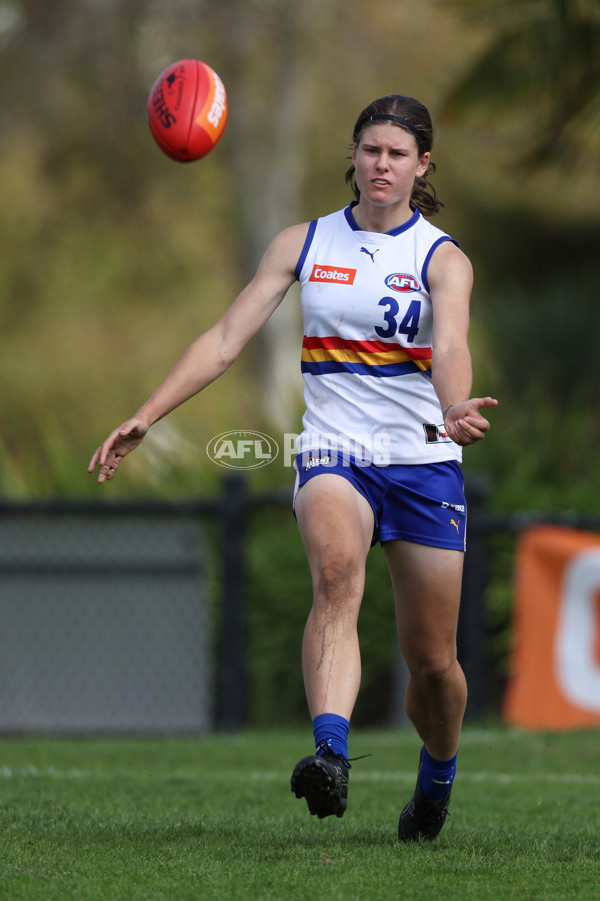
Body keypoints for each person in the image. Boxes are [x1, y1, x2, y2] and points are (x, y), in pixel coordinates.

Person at [88, 94, 497, 842]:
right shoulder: (303, 244)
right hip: (333, 453)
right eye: (370, 149)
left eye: (397, 154)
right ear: (352, 156)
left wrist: (457, 404)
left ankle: (437, 777)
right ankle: (331, 753)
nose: (381, 164)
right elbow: (223, 338)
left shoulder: (442, 258)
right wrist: (148, 412)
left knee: (434, 664)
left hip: (423, 460)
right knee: (336, 578)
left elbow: (452, 346)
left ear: (422, 165)